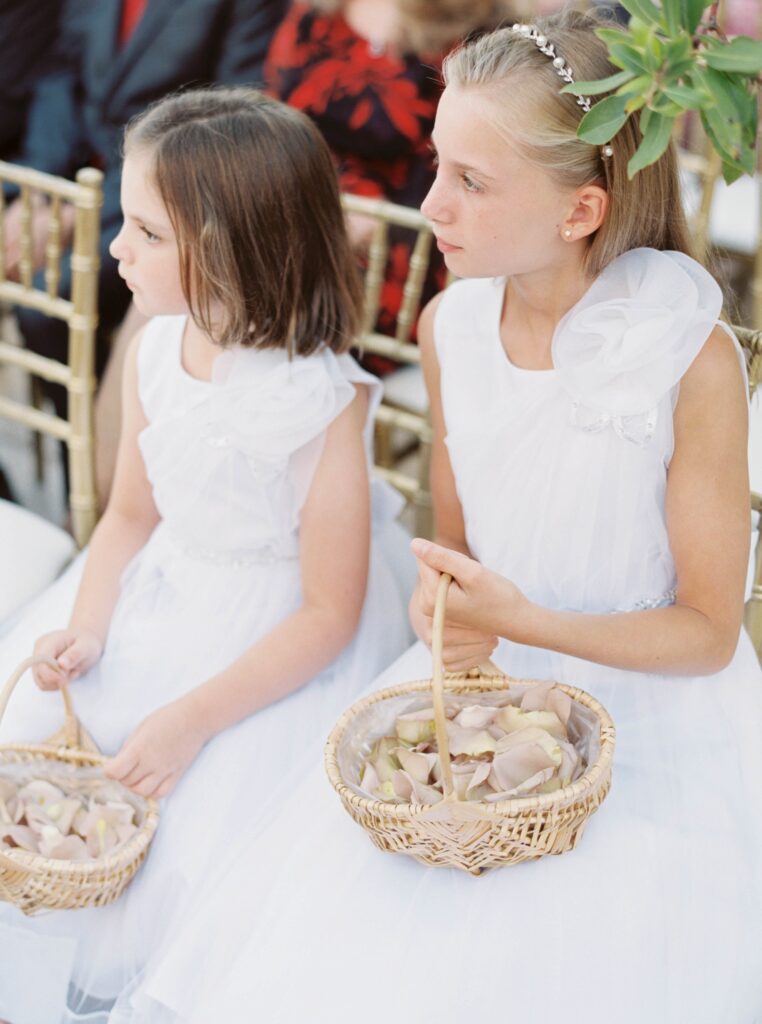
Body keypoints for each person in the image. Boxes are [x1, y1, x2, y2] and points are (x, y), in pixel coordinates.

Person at [114, 11, 762, 1024]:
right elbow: (458, 545)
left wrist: (522, 622)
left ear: (581, 207)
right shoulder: (450, 325)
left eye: (472, 181)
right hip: (484, 687)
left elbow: (711, 634)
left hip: (653, 714)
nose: (431, 204)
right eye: (436, 164)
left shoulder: (688, 353)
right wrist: (440, 596)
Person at [0, 88, 413, 1024]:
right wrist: (87, 626)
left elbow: (327, 616)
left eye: (144, 232)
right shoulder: (154, 347)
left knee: (190, 834)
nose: (117, 249)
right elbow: (130, 518)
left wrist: (191, 718)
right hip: (158, 592)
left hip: (269, 652)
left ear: (225, 246)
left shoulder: (322, 405)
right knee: (50, 750)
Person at [3, 0, 287, 427]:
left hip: (168, 193)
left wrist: (83, 209)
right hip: (73, 173)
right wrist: (42, 193)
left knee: (48, 305)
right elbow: (60, 75)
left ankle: (102, 466)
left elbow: (229, 115)